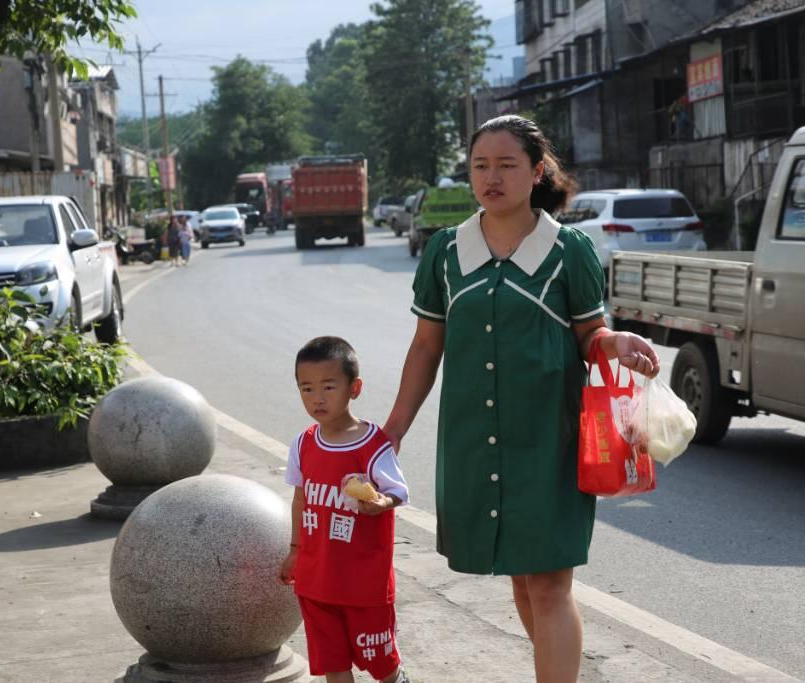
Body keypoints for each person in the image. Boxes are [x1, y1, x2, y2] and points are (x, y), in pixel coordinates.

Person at [382, 115, 660, 683]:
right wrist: (393, 429)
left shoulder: (569, 251)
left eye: (507, 165)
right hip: (473, 444)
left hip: (549, 442)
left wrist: (615, 342)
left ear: (536, 172)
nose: (492, 177)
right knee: (521, 578)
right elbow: (425, 346)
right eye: (481, 165)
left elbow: (589, 336)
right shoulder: (444, 253)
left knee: (550, 583)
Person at [279, 337, 413, 683]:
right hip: (316, 580)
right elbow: (300, 498)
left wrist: (381, 502)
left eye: (328, 386)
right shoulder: (304, 442)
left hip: (364, 584)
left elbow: (397, 491)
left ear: (354, 388)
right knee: (333, 664)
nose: (317, 398)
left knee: (382, 665)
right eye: (306, 389)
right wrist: (295, 551)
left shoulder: (373, 444)